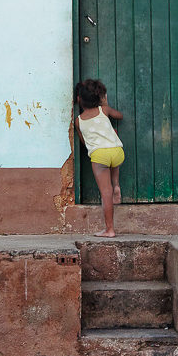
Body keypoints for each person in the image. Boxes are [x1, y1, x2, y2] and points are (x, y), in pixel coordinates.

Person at [74, 79, 124, 237]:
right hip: (117, 152)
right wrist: (105, 104)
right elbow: (120, 116)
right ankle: (117, 185)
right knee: (113, 161)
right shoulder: (105, 110)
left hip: (99, 155)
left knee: (105, 192)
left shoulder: (79, 121)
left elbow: (85, 142)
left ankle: (109, 230)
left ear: (79, 99)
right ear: (99, 97)